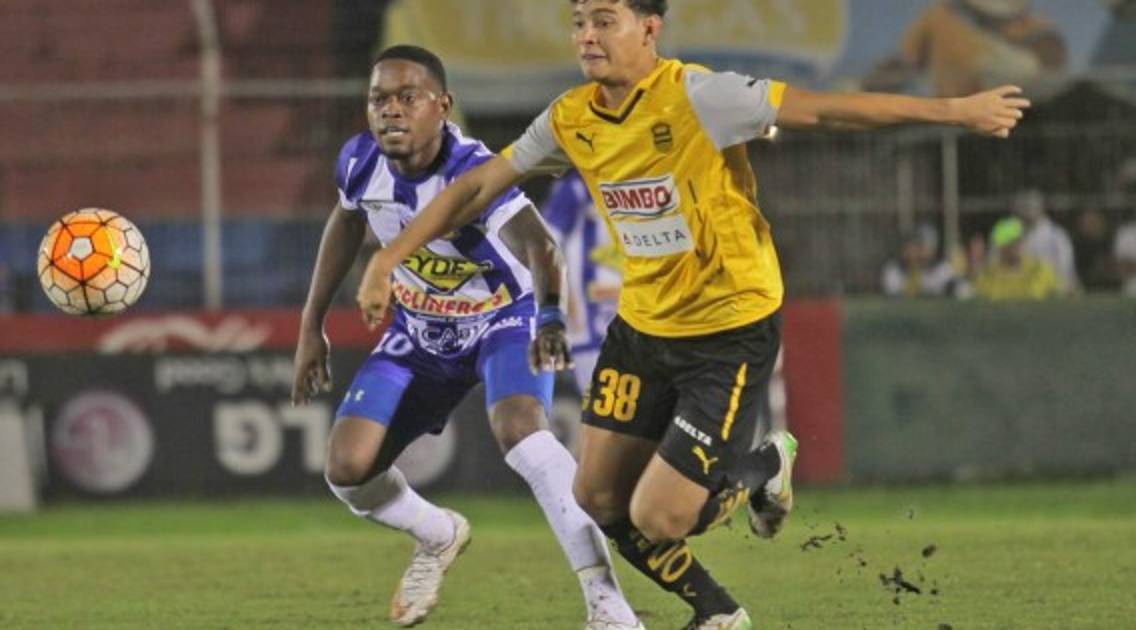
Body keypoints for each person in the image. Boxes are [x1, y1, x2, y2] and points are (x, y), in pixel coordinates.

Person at [354, 2, 1028, 628]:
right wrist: (389, 259)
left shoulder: (702, 96)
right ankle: (717, 613)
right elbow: (475, 186)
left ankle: (762, 466)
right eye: (579, 21)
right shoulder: (570, 117)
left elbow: (826, 111)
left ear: (650, 28)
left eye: (604, 20)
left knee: (661, 516)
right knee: (596, 497)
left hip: (728, 329)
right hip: (642, 328)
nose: (586, 35)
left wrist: (956, 111)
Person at [291, 45, 641, 630]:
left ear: (442, 106)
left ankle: (607, 604)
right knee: (348, 470)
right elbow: (347, 221)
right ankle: (438, 534)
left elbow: (541, 246)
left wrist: (549, 317)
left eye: (408, 97)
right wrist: (311, 326)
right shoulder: (359, 161)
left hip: (502, 317)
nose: (391, 110)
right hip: (420, 329)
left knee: (522, 432)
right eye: (379, 99)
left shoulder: (472, 170)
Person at [864, 0, 1067, 98]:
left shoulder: (1039, 31)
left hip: (1017, 119)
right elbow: (903, 66)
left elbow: (1049, 76)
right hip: (957, 119)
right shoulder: (940, 20)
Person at [539, 170, 623, 394]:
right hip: (589, 315)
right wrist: (563, 299)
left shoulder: (643, 176)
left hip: (633, 307)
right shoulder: (577, 187)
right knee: (602, 399)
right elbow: (547, 243)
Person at [974, 216, 1059, 300]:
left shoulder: (1040, 271)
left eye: (1017, 240)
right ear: (999, 247)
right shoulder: (988, 277)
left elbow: (1058, 297)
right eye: (1007, 242)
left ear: (1023, 241)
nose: (1013, 246)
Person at [1014, 189, 1078, 294]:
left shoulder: (1057, 235)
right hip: (1021, 288)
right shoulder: (1013, 233)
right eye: (1023, 208)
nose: (1027, 212)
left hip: (1054, 288)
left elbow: (1065, 267)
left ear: (1041, 208)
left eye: (1030, 207)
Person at [880, 222, 968, 298]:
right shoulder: (894, 270)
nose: (914, 251)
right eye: (913, 246)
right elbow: (892, 291)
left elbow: (964, 290)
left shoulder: (942, 269)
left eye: (921, 246)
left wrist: (949, 289)